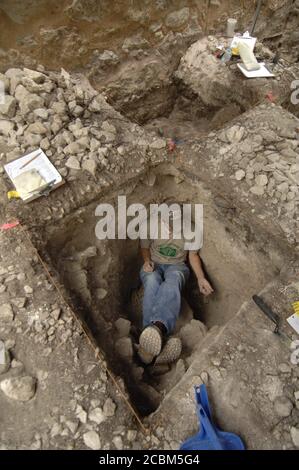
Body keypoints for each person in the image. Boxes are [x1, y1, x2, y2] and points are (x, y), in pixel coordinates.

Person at [137, 205, 213, 364]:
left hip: (177, 265)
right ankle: (155, 346)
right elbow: (144, 247)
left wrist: (200, 278)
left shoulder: (191, 230)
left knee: (173, 282)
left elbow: (193, 255)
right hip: (154, 262)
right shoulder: (151, 225)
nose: (171, 231)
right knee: (152, 281)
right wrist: (146, 262)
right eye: (168, 227)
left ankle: (156, 330)